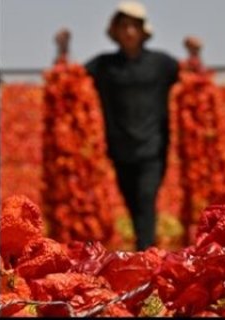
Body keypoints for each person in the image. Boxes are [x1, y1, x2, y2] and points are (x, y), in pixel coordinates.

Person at [83, 2, 181, 250]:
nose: (128, 32)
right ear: (115, 32)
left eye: (133, 26)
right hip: (120, 147)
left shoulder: (162, 64)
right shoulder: (104, 66)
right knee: (132, 201)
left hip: (153, 147)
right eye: (123, 26)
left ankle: (146, 252)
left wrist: (195, 54)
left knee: (147, 197)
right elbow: (71, 80)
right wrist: (61, 49)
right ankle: (144, 248)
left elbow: (191, 79)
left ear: (142, 31)